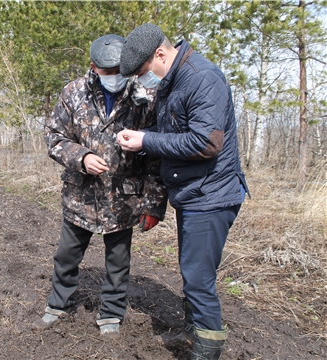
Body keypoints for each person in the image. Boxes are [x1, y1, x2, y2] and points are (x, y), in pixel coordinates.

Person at [116, 24, 250, 359]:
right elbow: (171, 135)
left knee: (199, 278)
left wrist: (146, 140)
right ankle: (193, 331)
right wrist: (140, 140)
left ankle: (206, 350)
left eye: (145, 72)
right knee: (193, 271)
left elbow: (207, 143)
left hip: (211, 195)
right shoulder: (173, 82)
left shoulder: (202, 78)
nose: (146, 80)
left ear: (160, 54)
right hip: (192, 194)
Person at [32, 34, 167, 339]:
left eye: (121, 71)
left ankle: (111, 314)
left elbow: (157, 155)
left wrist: (153, 205)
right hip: (81, 195)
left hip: (123, 199)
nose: (115, 78)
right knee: (66, 256)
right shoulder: (73, 93)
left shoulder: (143, 96)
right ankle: (59, 305)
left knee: (118, 262)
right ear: (94, 66)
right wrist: (82, 157)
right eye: (108, 72)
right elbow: (54, 138)